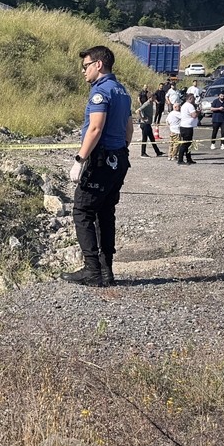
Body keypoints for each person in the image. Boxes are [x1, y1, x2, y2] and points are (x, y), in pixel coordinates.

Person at [63, 46, 133, 287]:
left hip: (101, 160)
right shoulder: (122, 92)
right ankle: (106, 270)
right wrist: (119, 153)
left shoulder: (100, 93)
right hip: (119, 159)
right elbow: (128, 130)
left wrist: (79, 160)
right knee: (105, 212)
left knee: (82, 210)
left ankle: (92, 270)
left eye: (86, 66)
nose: (83, 71)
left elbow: (95, 128)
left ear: (98, 65)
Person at [137, 93, 163, 157]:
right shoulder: (147, 104)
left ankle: (158, 152)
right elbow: (138, 111)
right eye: (154, 97)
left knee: (152, 138)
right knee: (144, 139)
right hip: (145, 124)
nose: (155, 99)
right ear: (150, 97)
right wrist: (142, 118)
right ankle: (143, 153)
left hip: (148, 124)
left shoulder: (151, 103)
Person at [177, 93, 199, 165]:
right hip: (187, 127)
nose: (194, 100)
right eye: (193, 98)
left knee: (189, 144)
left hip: (185, 126)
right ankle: (180, 160)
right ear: (190, 99)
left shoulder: (184, 105)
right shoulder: (190, 106)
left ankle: (189, 159)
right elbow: (194, 115)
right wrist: (198, 111)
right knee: (185, 144)